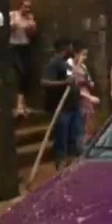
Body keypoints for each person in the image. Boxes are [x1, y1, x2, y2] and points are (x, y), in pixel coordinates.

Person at [40, 39, 82, 170]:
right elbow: (44, 82)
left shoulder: (67, 63)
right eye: (71, 46)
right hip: (63, 108)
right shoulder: (54, 63)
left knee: (75, 136)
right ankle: (61, 163)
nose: (73, 48)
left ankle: (72, 163)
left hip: (73, 106)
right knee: (62, 137)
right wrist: (64, 83)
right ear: (66, 47)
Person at [10, 0, 37, 117]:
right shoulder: (13, 15)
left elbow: (32, 35)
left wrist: (31, 28)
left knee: (27, 74)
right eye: (25, 6)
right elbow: (8, 29)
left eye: (29, 7)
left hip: (25, 46)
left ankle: (23, 104)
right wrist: (16, 24)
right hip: (14, 47)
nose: (27, 9)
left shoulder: (30, 17)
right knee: (21, 72)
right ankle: (19, 105)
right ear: (20, 6)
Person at [70, 43, 100, 145]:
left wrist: (90, 82)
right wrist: (89, 97)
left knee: (90, 120)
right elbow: (75, 87)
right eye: (83, 55)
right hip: (79, 97)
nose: (85, 57)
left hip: (87, 95)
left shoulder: (83, 67)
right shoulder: (71, 68)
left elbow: (90, 81)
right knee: (81, 123)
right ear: (76, 54)